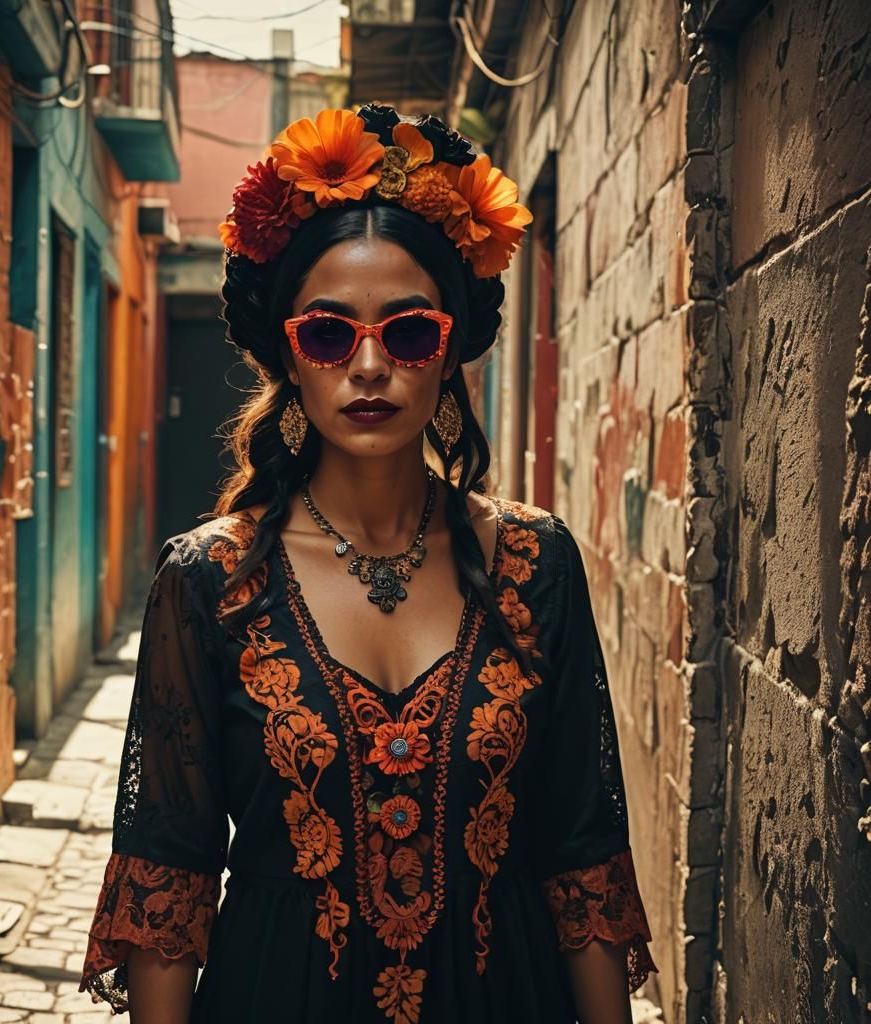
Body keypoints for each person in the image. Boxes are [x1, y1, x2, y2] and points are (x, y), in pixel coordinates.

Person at [78, 103, 656, 1023]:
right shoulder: (209, 582)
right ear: (291, 361)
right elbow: (167, 876)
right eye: (330, 333)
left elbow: (582, 861)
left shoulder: (537, 564)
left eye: (410, 332)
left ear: (452, 352)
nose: (372, 364)